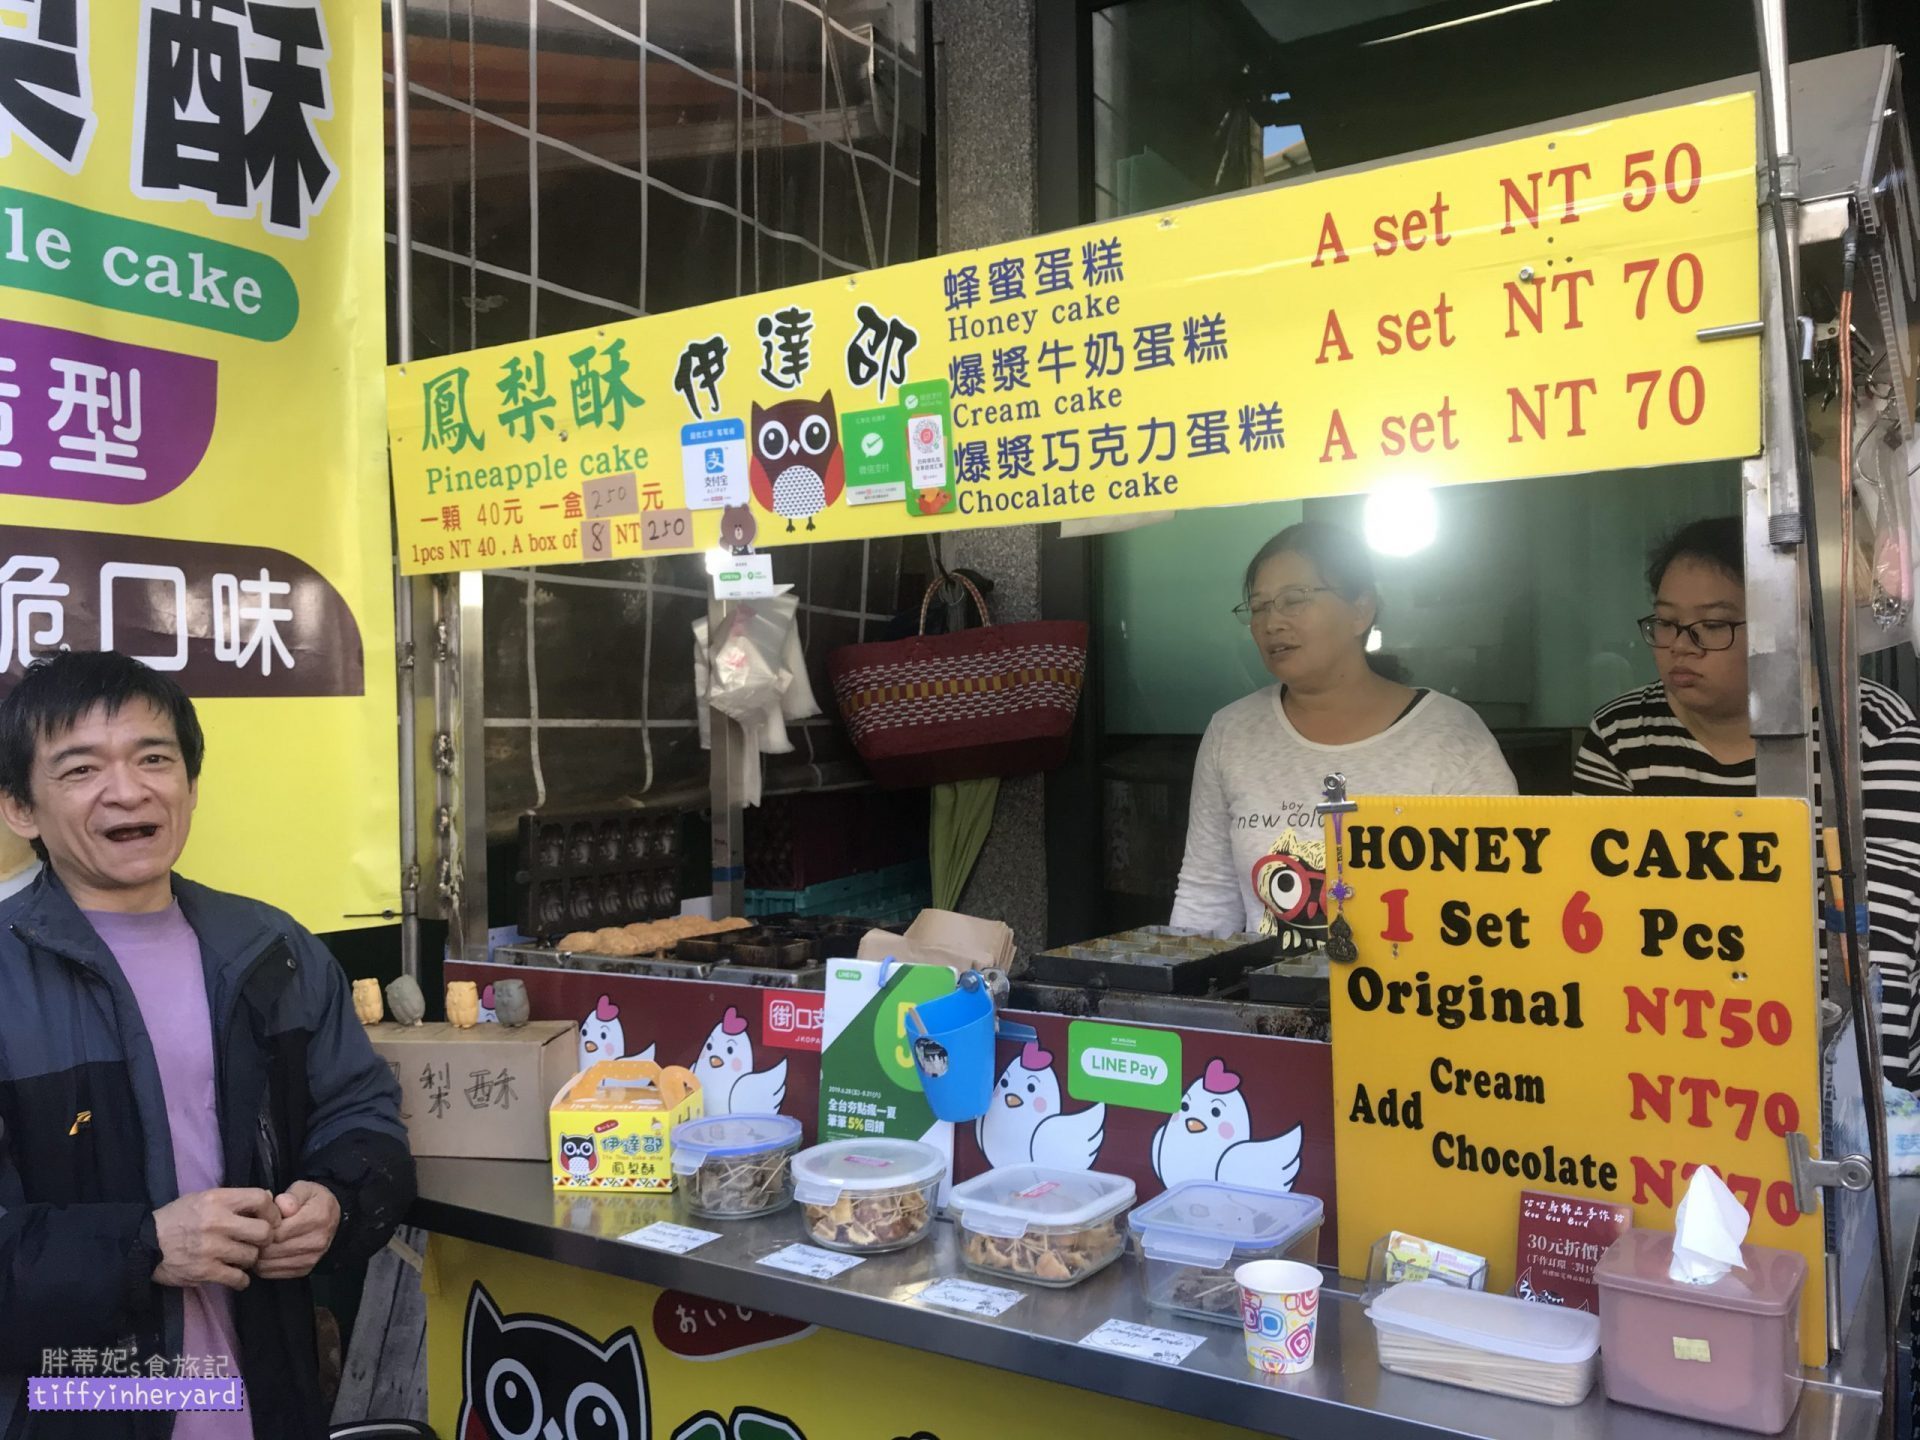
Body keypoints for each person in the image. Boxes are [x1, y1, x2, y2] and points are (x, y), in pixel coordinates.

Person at [0, 652, 416, 1440]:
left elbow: (361, 1113)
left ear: (190, 784)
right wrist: (145, 1246)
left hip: (269, 1390)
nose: (129, 790)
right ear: (21, 807)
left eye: (154, 758)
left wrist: (334, 1199)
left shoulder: (271, 949)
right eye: (81, 768)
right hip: (78, 1402)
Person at [1575, 516, 1920, 1086]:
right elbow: (1607, 922)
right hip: (1674, 1050)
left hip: (1848, 1062)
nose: (1679, 649)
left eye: (1712, 626)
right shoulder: (1622, 737)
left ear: (1783, 622)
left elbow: (1877, 943)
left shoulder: (1871, 735)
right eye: (1664, 623)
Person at [1171, 522, 1518, 946]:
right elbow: (1207, 894)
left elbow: (1495, 905)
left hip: (1410, 1005)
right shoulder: (1231, 731)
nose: (1271, 623)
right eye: (1258, 607)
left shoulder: (1450, 737)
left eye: (1294, 600)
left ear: (1361, 610)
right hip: (1265, 1007)